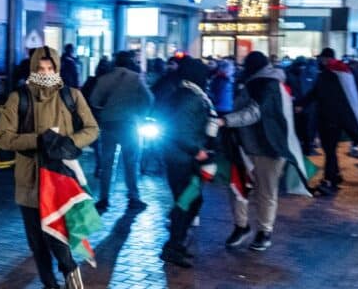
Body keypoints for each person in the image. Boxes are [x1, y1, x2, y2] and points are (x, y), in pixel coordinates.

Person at [0, 46, 99, 289]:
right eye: (40, 69)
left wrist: (69, 142)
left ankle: (69, 269)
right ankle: (49, 286)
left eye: (49, 68)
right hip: (29, 176)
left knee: (58, 232)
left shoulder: (71, 96)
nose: (45, 73)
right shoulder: (19, 98)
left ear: (56, 68)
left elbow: (92, 129)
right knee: (35, 238)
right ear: (33, 69)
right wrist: (39, 140)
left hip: (60, 176)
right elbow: (5, 138)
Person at [219, 52, 292, 252]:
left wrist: (226, 121)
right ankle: (242, 226)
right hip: (244, 145)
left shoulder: (268, 85)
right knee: (238, 188)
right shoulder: (255, 82)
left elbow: (255, 112)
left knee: (265, 191)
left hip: (269, 147)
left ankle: (264, 231)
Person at [155, 57, 214, 268]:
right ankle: (172, 247)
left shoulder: (185, 93)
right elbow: (180, 130)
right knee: (187, 200)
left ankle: (176, 243)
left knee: (189, 200)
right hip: (183, 158)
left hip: (179, 156)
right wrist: (196, 150)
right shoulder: (190, 97)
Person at [296, 48, 358, 194]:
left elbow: (316, 93)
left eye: (321, 58)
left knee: (329, 151)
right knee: (331, 150)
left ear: (325, 59)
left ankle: (329, 181)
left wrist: (301, 104)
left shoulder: (328, 74)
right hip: (338, 120)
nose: (320, 61)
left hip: (328, 119)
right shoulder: (344, 72)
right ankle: (335, 176)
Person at [89, 51, 153, 213]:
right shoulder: (136, 78)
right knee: (131, 163)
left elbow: (94, 101)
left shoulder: (104, 79)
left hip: (109, 124)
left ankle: (103, 199)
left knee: (107, 163)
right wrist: (141, 114)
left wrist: (105, 111)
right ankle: (133, 198)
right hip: (129, 125)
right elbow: (149, 99)